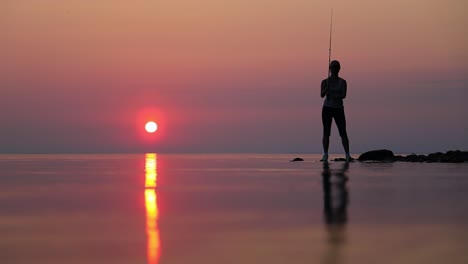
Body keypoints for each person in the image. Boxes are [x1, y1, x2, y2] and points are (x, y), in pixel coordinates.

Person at [320, 60, 351, 162]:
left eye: (336, 67)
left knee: (343, 132)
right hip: (327, 109)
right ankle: (325, 154)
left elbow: (343, 95)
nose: (334, 69)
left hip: (338, 109)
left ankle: (347, 155)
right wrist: (326, 89)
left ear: (339, 69)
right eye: (333, 67)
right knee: (326, 132)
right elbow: (322, 95)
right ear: (330, 69)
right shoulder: (325, 82)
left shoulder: (343, 82)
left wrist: (332, 94)